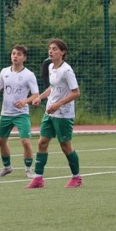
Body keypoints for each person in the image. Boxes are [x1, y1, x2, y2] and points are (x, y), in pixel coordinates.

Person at [27, 39, 82, 189]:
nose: (51, 51)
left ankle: (76, 177)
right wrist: (40, 97)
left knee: (65, 146)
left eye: (55, 49)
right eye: (50, 48)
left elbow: (76, 93)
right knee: (42, 142)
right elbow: (53, 87)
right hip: (50, 112)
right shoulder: (51, 66)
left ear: (62, 52)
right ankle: (38, 178)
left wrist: (58, 104)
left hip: (63, 114)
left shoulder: (67, 71)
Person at [0, 45, 40, 179]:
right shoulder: (4, 72)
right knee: (1, 141)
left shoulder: (29, 75)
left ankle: (28, 169)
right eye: (13, 53)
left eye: (19, 54)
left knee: (25, 142)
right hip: (6, 113)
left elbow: (36, 95)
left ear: (24, 58)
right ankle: (7, 167)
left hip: (21, 114)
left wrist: (25, 101)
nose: (15, 56)